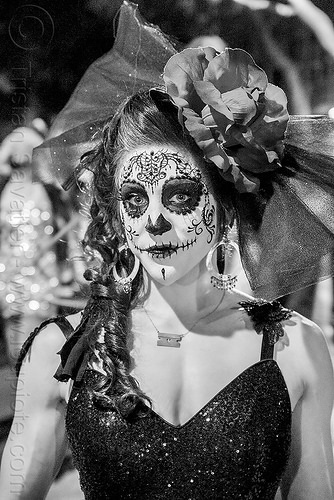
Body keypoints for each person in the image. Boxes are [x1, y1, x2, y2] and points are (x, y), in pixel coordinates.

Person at [0, 45, 334, 500]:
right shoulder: (59, 354)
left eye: (179, 196)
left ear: (224, 206)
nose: (153, 221)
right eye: (135, 200)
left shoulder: (296, 348)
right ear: (115, 213)